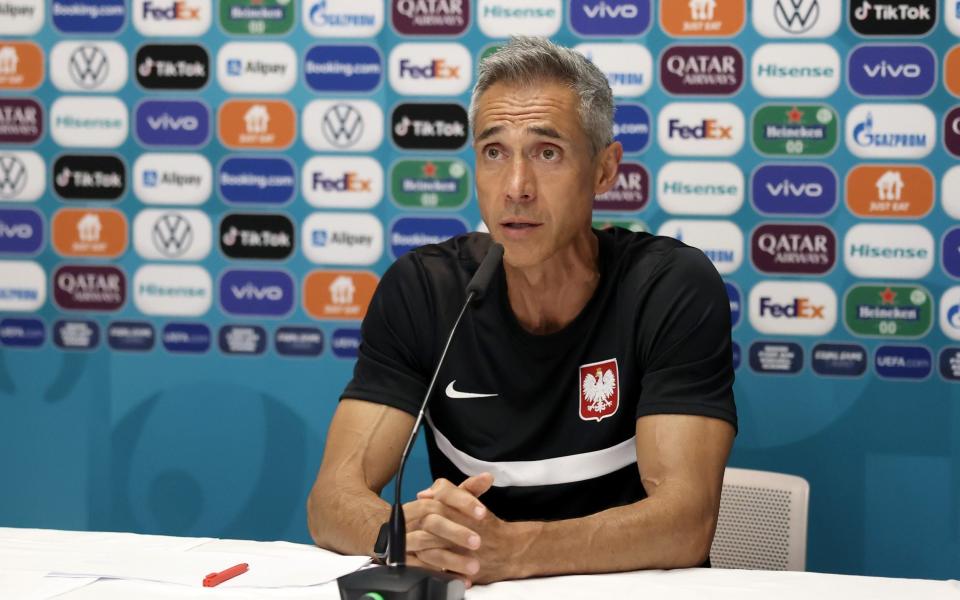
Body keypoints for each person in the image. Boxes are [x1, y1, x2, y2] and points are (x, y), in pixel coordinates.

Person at [307, 36, 737, 586]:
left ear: (605, 170)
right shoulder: (424, 291)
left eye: (547, 152)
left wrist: (515, 550)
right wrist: (406, 533)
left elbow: (685, 523)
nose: (516, 188)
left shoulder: (668, 287)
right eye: (494, 152)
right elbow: (331, 500)